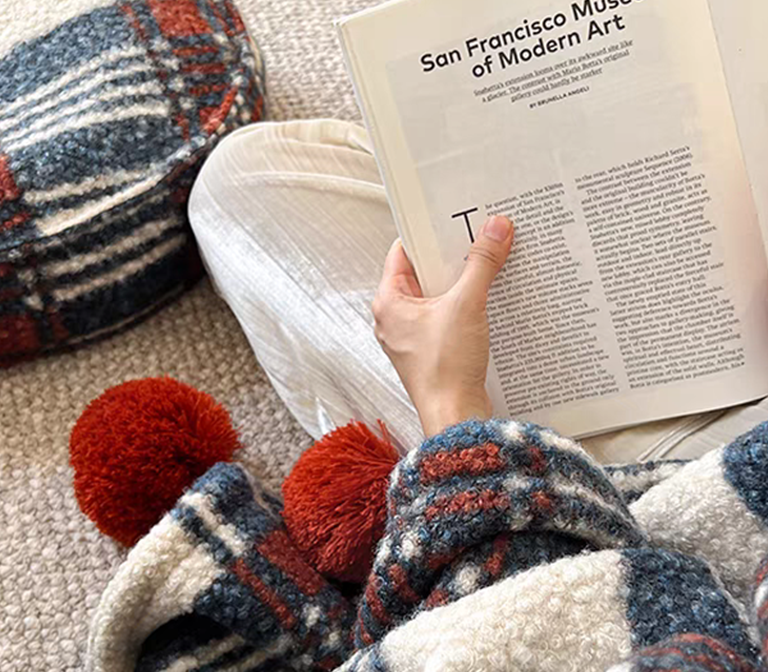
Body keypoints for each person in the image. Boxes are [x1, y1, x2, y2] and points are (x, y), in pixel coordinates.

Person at [189, 119, 768, 458]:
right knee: (238, 173)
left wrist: (450, 409)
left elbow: (520, 596)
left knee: (236, 192)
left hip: (635, 485)